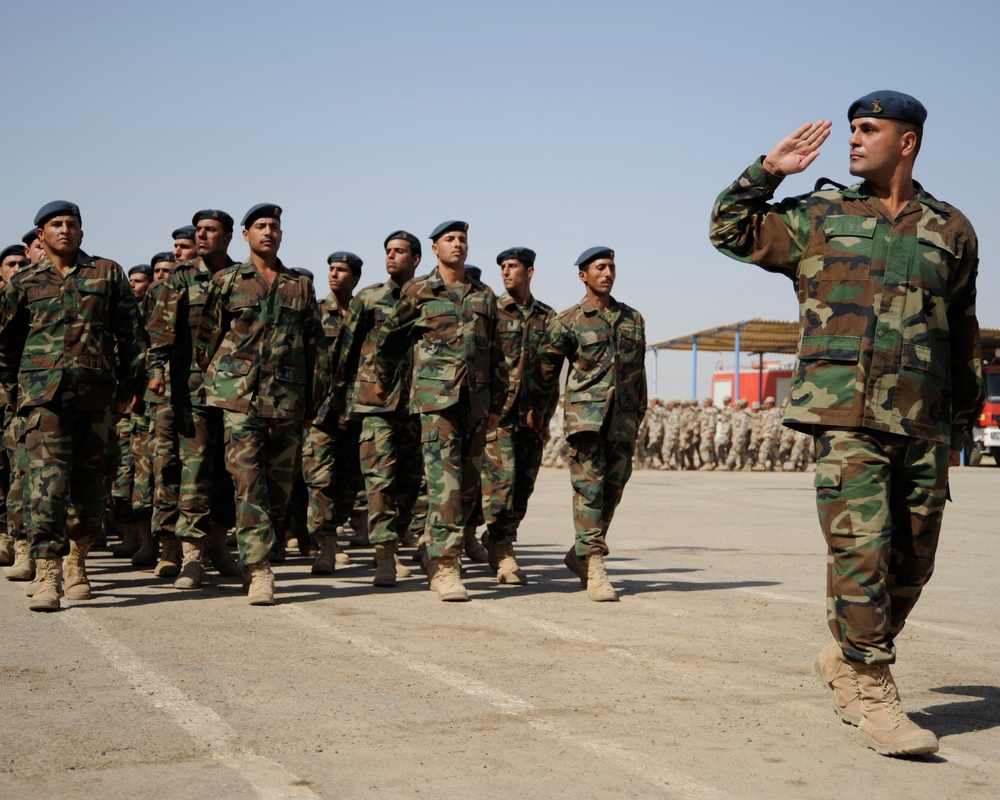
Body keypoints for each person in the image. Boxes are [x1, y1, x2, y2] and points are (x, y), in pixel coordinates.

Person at [709, 90, 984, 756]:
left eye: (868, 130)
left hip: (923, 422)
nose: (853, 140)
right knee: (860, 553)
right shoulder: (820, 217)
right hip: (845, 416)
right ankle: (869, 685)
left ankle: (845, 657)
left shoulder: (951, 229)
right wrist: (768, 172)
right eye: (852, 129)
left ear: (907, 141)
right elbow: (729, 230)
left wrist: (961, 423)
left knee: (911, 563)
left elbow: (961, 332)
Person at [0, 201, 145, 611]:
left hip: (96, 397)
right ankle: (48, 574)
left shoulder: (107, 273)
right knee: (45, 486)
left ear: (82, 232)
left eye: (72, 224)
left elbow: (131, 335)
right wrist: (16, 394)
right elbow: (6, 346)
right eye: (56, 224)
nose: (65, 230)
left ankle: (76, 561)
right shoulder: (24, 282)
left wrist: (126, 390)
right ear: (41, 235)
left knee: (91, 488)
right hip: (42, 399)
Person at [196, 204, 327, 605]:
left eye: (274, 226)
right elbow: (207, 340)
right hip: (241, 400)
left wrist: (312, 404)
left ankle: (255, 554)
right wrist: (227, 382)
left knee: (278, 493)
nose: (268, 232)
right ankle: (259, 571)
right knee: (248, 483)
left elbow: (315, 348)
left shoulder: (300, 285)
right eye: (260, 226)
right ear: (246, 236)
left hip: (287, 402)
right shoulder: (228, 281)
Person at [372, 221, 506, 601]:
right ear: (434, 248)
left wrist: (497, 404)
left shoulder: (484, 294)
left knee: (466, 487)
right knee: (444, 482)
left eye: (463, 239)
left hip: (476, 403)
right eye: (450, 239)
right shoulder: (419, 290)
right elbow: (390, 340)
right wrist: (384, 380)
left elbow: (496, 353)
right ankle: (446, 566)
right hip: (436, 401)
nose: (458, 244)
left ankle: (433, 547)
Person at [530, 246, 646, 602]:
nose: (607, 273)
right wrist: (540, 412)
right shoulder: (567, 322)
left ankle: (579, 553)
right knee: (589, 491)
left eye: (611, 267)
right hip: (587, 419)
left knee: (612, 492)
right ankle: (595, 564)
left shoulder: (632, 318)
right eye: (600, 267)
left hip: (623, 420)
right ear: (583, 275)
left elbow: (638, 371)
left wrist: (639, 411)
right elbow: (545, 374)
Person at [146, 210, 241, 590]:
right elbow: (161, 331)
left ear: (229, 236)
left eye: (210, 230)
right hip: (194, 389)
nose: (201, 235)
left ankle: (219, 544)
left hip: (237, 390)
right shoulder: (181, 277)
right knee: (195, 470)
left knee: (229, 471)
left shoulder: (241, 277)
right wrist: (156, 373)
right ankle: (191, 555)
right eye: (198, 230)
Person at [331, 232, 425, 585]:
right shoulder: (369, 299)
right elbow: (345, 351)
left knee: (410, 482)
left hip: (417, 404)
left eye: (399, 252)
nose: (391, 257)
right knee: (379, 479)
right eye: (387, 251)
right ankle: (384, 554)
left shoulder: (430, 297)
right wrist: (339, 398)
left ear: (415, 259)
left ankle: (399, 537)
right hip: (376, 404)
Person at [478, 247, 556, 584]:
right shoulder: (490, 311)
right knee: (501, 484)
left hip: (532, 417)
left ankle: (495, 538)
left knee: (523, 488)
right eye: (503, 267)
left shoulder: (548, 317)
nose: (506, 272)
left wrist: (546, 417)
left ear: (530, 272)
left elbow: (552, 373)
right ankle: (505, 552)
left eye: (513, 267)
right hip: (499, 416)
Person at [301, 250, 363, 571]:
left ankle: (334, 526)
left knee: (352, 479)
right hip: (320, 409)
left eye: (341, 270)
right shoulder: (314, 312)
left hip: (356, 410)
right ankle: (325, 542)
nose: (334, 274)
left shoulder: (364, 313)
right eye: (331, 269)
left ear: (355, 278)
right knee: (319, 476)